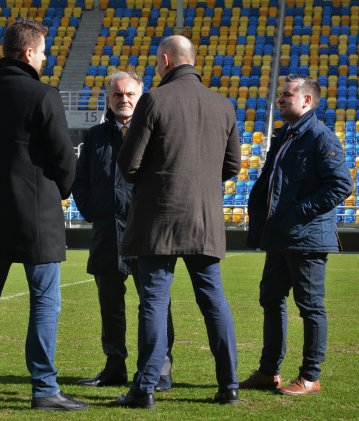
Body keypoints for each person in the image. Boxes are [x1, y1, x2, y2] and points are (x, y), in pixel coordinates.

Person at [0, 19, 87, 411]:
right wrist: (57, 192)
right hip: (38, 216)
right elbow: (64, 157)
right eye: (43, 52)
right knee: (44, 303)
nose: (45, 59)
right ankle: (44, 389)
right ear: (29, 53)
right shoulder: (44, 95)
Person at [116, 35, 241, 409]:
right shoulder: (223, 105)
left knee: (153, 301)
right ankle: (229, 384)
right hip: (204, 220)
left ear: (166, 60)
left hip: (159, 220)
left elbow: (129, 163)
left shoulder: (155, 99)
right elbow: (232, 165)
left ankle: (146, 388)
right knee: (214, 301)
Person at [242, 74, 353, 395]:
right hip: (280, 235)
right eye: (281, 95)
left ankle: (310, 376)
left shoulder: (320, 137)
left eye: (287, 95)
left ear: (307, 100)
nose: (280, 99)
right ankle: (268, 371)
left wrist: (300, 212)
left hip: (306, 237)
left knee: (310, 306)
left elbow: (341, 184)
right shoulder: (286, 136)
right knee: (271, 299)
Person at [72, 71, 175, 391]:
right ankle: (114, 366)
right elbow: (81, 182)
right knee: (110, 306)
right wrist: (96, 212)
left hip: (148, 234)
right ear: (108, 98)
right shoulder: (94, 137)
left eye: (130, 94)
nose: (124, 99)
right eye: (118, 94)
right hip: (107, 234)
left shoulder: (156, 134)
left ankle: (159, 369)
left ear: (141, 98)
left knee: (156, 304)